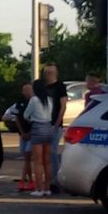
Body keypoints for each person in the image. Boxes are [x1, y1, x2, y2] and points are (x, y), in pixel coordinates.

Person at [24, 80, 54, 197]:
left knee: (38, 161)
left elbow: (26, 115)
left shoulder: (34, 100)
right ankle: (47, 188)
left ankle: (39, 189)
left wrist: (31, 119)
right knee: (47, 161)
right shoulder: (49, 100)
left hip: (38, 128)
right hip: (48, 128)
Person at [43, 62, 67, 192]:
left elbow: (63, 106)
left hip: (55, 125)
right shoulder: (42, 86)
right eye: (46, 72)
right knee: (44, 153)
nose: (48, 75)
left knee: (52, 151)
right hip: (42, 124)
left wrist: (57, 123)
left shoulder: (60, 86)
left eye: (51, 72)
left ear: (56, 73)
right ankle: (47, 178)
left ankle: (55, 180)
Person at [11, 81, 34, 192]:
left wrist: (30, 133)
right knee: (26, 158)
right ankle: (30, 180)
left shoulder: (35, 102)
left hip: (33, 134)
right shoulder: (19, 102)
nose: (27, 92)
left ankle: (23, 180)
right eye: (25, 89)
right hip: (23, 134)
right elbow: (16, 118)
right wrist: (22, 132)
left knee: (27, 156)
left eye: (29, 89)